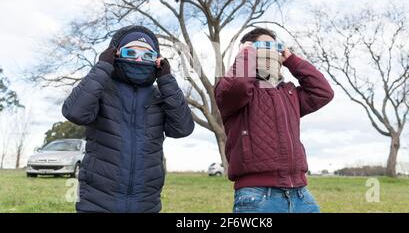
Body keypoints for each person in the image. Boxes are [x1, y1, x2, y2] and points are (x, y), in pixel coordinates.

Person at [62, 25, 195, 213]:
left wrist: (167, 80)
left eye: (147, 55)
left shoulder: (160, 95)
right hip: (96, 202)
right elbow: (74, 112)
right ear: (116, 54)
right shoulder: (101, 90)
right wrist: (103, 67)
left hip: (146, 204)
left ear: (157, 61)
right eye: (130, 52)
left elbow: (183, 128)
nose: (139, 59)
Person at [214, 28, 334, 213]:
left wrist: (292, 60)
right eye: (264, 46)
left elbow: (323, 92)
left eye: (275, 47)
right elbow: (238, 85)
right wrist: (246, 53)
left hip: (300, 194)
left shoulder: (289, 92)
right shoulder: (232, 91)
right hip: (257, 196)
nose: (271, 51)